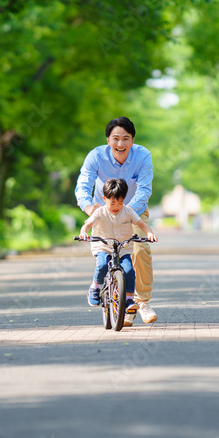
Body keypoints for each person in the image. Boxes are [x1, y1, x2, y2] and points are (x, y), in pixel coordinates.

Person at [76, 117, 158, 325]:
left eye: (126, 139)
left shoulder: (142, 155)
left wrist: (129, 212)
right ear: (108, 139)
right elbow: (83, 185)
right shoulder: (95, 156)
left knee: (140, 249)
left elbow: (144, 189)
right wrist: (88, 207)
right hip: (103, 211)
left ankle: (141, 303)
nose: (120, 144)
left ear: (133, 140)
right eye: (116, 139)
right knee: (105, 253)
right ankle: (103, 289)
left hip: (133, 209)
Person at [78, 179, 158, 316]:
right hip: (103, 246)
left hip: (123, 247)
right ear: (104, 199)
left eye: (120, 202)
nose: (116, 207)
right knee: (102, 265)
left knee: (129, 270)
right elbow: (87, 224)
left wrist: (149, 233)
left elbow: (141, 223)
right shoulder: (100, 212)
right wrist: (83, 232)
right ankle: (95, 287)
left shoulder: (128, 211)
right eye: (112, 203)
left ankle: (128, 299)